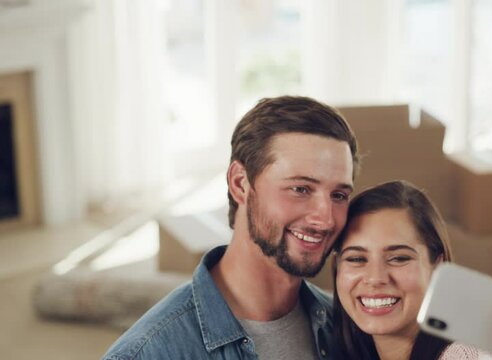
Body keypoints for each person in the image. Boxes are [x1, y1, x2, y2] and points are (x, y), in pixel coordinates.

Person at [103, 96, 359, 359]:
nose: (325, 219)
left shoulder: (348, 329)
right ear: (240, 184)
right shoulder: (147, 353)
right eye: (300, 189)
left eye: (338, 195)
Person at [332, 180, 492, 360]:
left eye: (399, 258)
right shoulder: (338, 342)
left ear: (437, 265)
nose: (375, 278)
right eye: (356, 259)